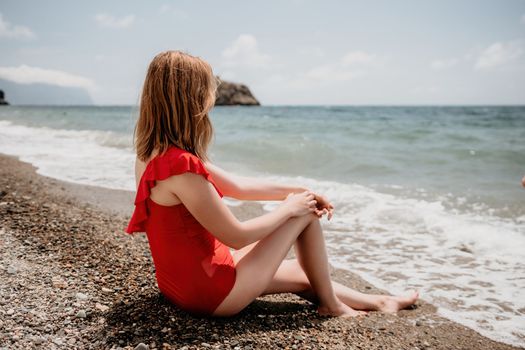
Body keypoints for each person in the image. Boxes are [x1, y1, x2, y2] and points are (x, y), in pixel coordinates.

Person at [126, 50, 418, 317]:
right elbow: (237, 236)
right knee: (305, 213)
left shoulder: (152, 154)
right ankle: (332, 305)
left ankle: (381, 302)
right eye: (207, 91)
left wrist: (299, 190)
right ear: (191, 99)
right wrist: (291, 207)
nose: (211, 99)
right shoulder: (181, 167)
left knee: (305, 275)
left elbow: (238, 186)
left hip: (178, 282)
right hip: (210, 293)